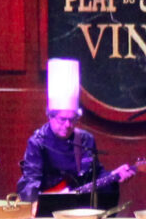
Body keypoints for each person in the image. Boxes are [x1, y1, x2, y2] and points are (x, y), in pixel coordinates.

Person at [16, 58, 133, 204]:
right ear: (50, 116)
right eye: (62, 119)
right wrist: (37, 200)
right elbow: (31, 180)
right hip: (48, 206)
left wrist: (114, 175)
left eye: (72, 120)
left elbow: (95, 174)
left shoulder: (85, 139)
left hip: (79, 204)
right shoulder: (38, 142)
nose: (67, 125)